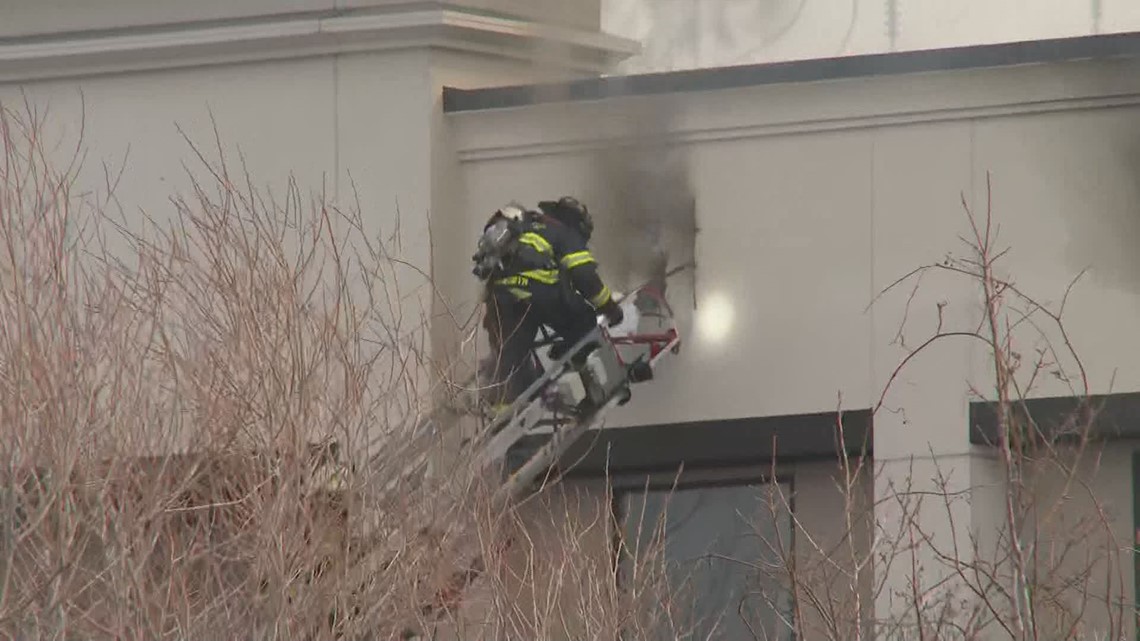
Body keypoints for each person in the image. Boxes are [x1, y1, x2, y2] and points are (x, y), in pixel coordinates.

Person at [477, 196, 624, 415]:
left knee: (512, 357)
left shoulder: (524, 226)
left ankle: (502, 417)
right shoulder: (563, 233)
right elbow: (584, 276)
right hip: (540, 292)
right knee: (584, 322)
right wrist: (609, 307)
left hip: (501, 297)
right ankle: (587, 380)